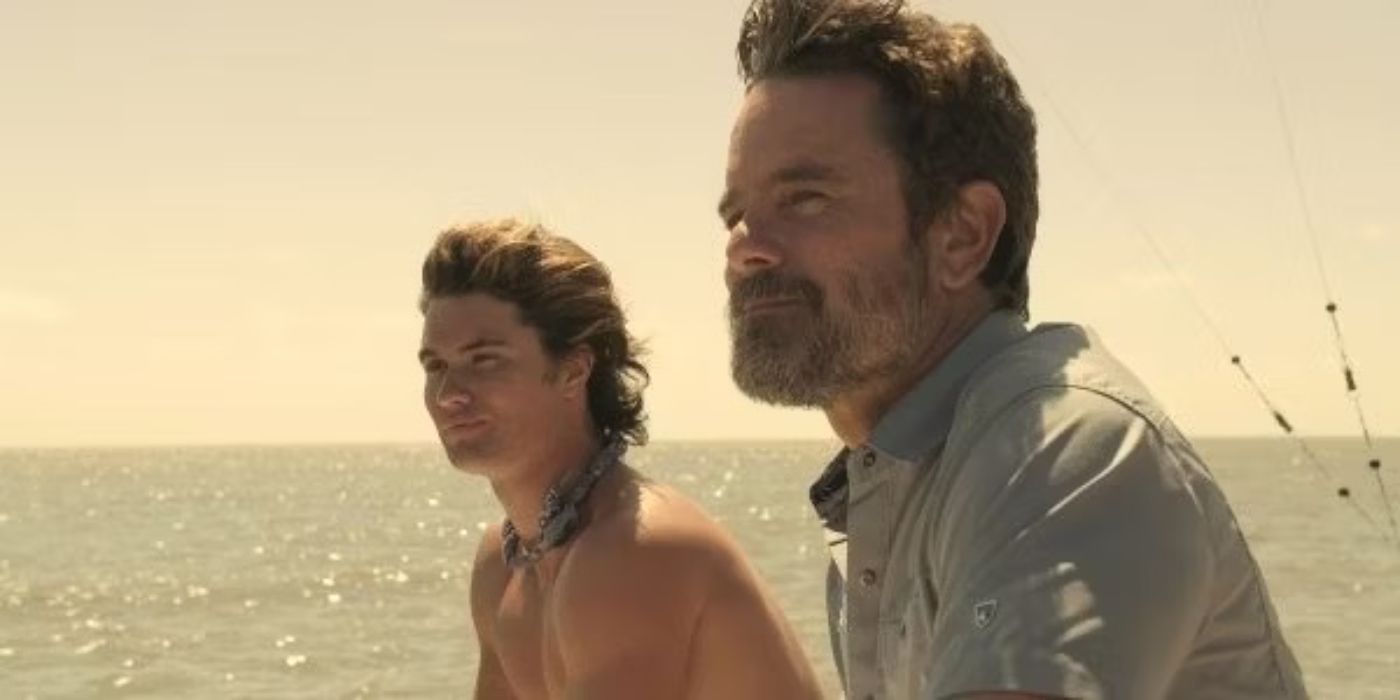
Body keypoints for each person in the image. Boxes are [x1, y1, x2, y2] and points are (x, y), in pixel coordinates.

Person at [717, 1, 1310, 698]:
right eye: (735, 213)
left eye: (806, 197)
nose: (744, 247)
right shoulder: (893, 483)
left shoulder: (1063, 450)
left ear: (964, 235)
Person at [417, 218, 822, 699]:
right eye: (435, 366)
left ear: (573, 370)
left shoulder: (633, 547)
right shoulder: (503, 565)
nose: (449, 394)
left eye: (483, 360)